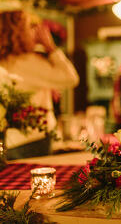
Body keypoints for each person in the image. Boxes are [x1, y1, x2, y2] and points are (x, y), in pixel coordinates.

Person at [0, 10, 79, 159]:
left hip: (9, 140)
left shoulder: (4, 61)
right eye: (30, 26)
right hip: (33, 139)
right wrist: (50, 47)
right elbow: (71, 78)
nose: (35, 31)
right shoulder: (27, 62)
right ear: (19, 32)